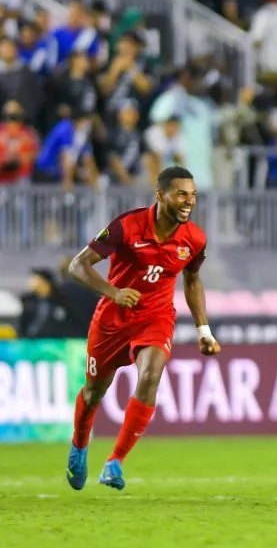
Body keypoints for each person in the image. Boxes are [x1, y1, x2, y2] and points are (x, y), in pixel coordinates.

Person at [64, 166, 221, 492]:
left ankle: (115, 462)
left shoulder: (194, 239)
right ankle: (79, 446)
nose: (188, 202)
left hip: (156, 317)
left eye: (193, 195)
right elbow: (78, 265)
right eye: (181, 194)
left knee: (151, 373)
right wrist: (113, 292)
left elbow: (192, 281)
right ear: (160, 195)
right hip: (112, 321)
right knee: (94, 392)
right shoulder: (127, 226)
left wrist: (203, 330)